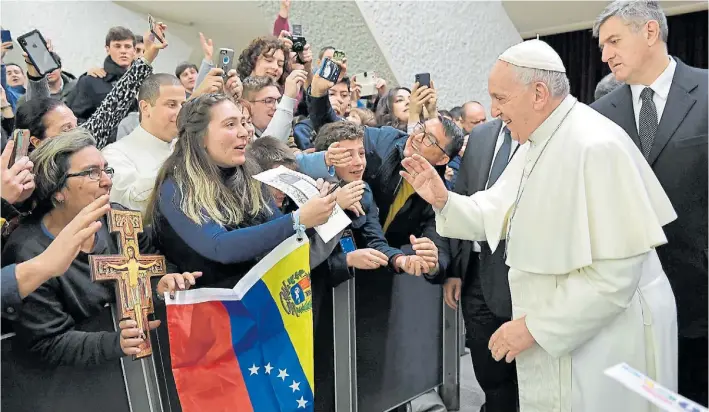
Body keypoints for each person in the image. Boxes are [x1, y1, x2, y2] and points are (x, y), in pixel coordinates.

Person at [401, 39, 678, 412]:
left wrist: (536, 327)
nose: (495, 111)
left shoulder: (594, 145)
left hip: (607, 340)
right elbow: (494, 208)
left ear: (538, 94)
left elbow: (615, 275)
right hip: (568, 334)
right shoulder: (540, 141)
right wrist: (443, 199)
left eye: (500, 98)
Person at [1, 129, 199, 412]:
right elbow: (47, 342)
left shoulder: (118, 218)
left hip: (146, 377)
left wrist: (162, 283)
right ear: (57, 191)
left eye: (107, 170)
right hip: (79, 391)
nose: (107, 181)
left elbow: (152, 264)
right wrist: (114, 342)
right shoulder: (28, 253)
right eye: (92, 173)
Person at [591, 0, 708, 405]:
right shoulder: (597, 116)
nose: (605, 55)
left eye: (614, 41)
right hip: (628, 299)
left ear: (650, 33)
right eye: (602, 46)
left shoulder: (707, 91)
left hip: (700, 294)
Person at [445, 116, 520, 411]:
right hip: (476, 271)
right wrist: (455, 269)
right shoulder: (481, 135)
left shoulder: (545, 134)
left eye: (502, 95)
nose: (496, 106)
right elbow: (462, 199)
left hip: (520, 273)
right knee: (488, 368)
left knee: (522, 370)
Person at [101, 74, 186, 213]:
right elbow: (127, 204)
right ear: (145, 107)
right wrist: (177, 164)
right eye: (171, 105)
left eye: (183, 105)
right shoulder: (115, 154)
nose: (181, 112)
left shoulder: (186, 147)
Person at [67, 27, 137, 123]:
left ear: (134, 51)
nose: (123, 51)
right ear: (108, 49)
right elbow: (74, 118)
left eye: (127, 46)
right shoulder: (91, 81)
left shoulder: (144, 81)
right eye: (117, 46)